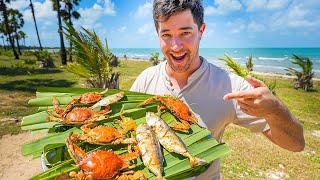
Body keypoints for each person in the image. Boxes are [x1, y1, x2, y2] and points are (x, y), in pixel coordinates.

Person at [130, 0, 305, 179]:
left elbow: (296, 144)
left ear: (201, 31)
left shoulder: (229, 86)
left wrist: (276, 110)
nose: (176, 46)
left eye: (185, 33)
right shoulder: (146, 79)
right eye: (166, 35)